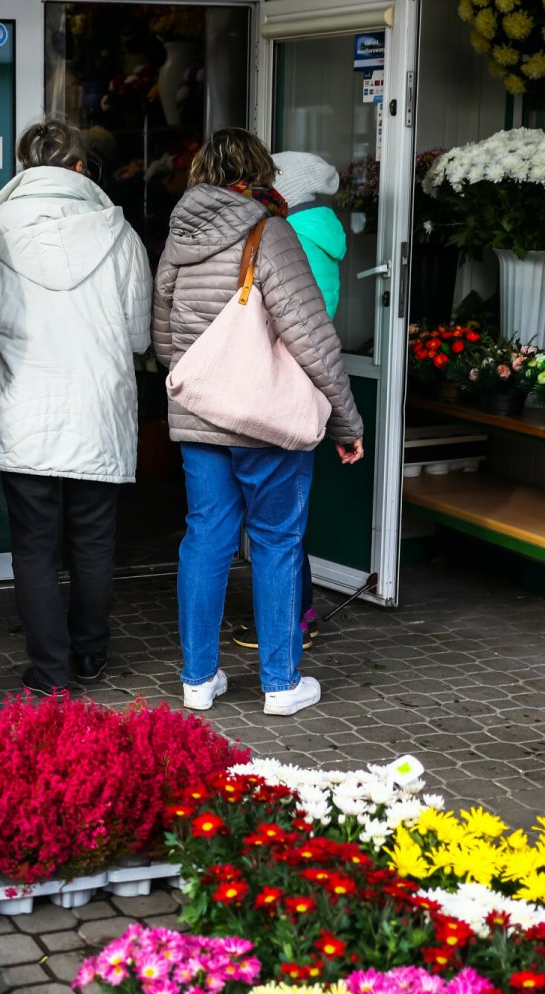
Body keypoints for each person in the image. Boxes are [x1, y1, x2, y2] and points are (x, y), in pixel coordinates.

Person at [152, 127, 364, 717]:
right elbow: (311, 336)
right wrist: (346, 419)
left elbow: (164, 339)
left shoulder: (178, 237)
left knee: (206, 540)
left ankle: (198, 680)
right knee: (274, 542)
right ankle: (278, 683)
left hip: (199, 419)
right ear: (257, 174)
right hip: (267, 422)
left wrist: (206, 387)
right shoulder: (270, 233)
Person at [0, 116, 151, 696]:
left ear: (24, 168)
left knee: (34, 546)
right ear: (79, 167)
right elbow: (140, 337)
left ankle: (49, 671)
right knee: (94, 541)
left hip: (24, 407)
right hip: (96, 405)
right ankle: (91, 657)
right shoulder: (119, 234)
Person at [232, 150, 347, 655]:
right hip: (303, 381)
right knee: (283, 517)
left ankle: (286, 622)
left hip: (282, 385)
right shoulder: (320, 235)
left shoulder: (290, 238)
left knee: (274, 522)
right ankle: (298, 614)